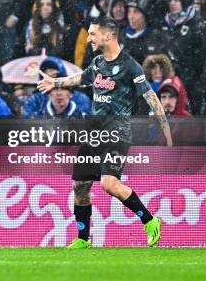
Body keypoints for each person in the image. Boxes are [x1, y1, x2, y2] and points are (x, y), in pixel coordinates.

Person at [37, 16, 172, 249]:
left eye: (92, 33)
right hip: (93, 134)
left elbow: (150, 96)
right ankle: (82, 239)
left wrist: (166, 131)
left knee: (108, 184)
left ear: (107, 36)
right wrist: (56, 83)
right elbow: (81, 78)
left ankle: (150, 221)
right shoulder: (98, 62)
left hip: (117, 134)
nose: (88, 38)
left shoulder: (130, 66)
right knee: (79, 186)